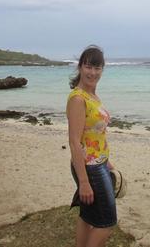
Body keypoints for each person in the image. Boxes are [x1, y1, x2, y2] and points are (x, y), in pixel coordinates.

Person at [66, 45, 116, 247]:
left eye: (97, 68)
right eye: (88, 67)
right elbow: (74, 142)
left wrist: (108, 162)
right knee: (106, 222)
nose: (92, 72)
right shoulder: (78, 99)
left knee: (88, 217)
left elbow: (95, 135)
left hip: (99, 163)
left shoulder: (93, 96)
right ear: (80, 67)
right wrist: (84, 182)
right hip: (89, 168)